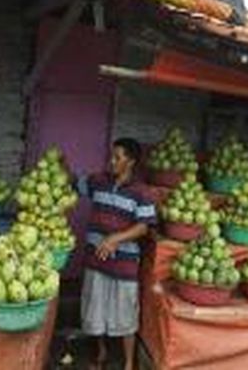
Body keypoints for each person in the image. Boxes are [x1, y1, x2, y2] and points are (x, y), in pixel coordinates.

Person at [76, 138, 156, 370]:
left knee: (125, 316)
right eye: (112, 156)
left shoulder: (141, 192)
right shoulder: (99, 181)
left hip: (124, 265)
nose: (112, 161)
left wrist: (114, 239)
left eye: (117, 157)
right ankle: (100, 352)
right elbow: (73, 183)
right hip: (95, 260)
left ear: (130, 161)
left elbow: (144, 226)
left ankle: (129, 363)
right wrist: (60, 163)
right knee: (94, 310)